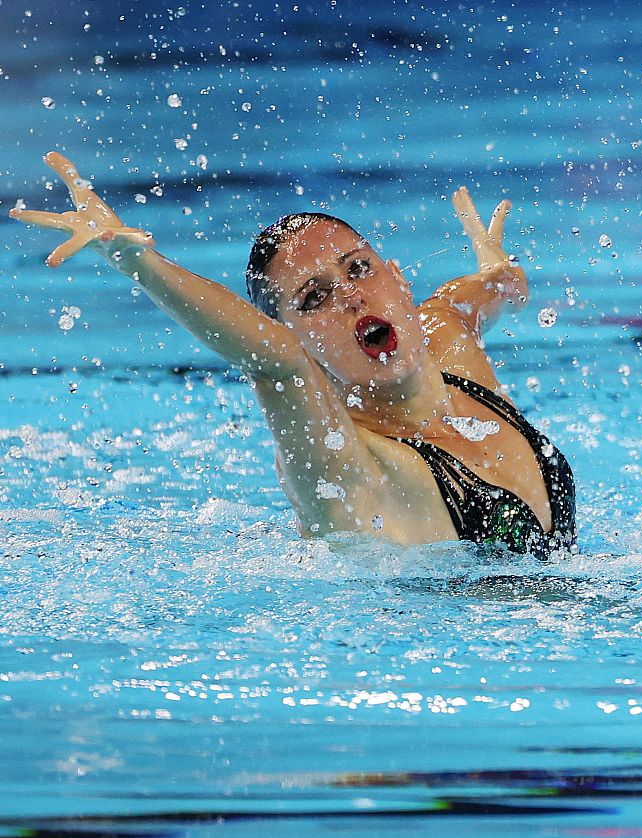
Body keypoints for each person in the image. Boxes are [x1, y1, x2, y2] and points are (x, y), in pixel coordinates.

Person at [12, 152, 576, 556]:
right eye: (314, 298)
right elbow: (275, 360)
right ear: (298, 339)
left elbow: (481, 293)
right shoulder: (344, 466)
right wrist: (136, 261)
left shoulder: (448, 344)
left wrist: (503, 274)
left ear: (398, 280)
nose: (352, 296)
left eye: (358, 268)